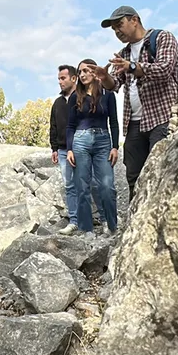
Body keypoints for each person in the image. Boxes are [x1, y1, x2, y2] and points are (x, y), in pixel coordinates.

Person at [84, 6, 178, 202]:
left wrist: (134, 67)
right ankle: (135, 224)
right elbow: (115, 84)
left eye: (119, 25)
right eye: (114, 29)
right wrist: (104, 78)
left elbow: (164, 69)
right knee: (133, 176)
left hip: (162, 118)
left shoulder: (162, 38)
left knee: (161, 171)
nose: (117, 32)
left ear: (134, 20)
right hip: (134, 123)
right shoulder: (123, 54)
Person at [49, 65, 106, 236]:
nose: (60, 82)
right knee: (70, 186)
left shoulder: (83, 98)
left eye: (63, 78)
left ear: (74, 78)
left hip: (83, 147)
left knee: (94, 183)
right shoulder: (57, 103)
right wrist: (54, 148)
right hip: (63, 151)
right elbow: (53, 126)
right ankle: (74, 221)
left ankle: (105, 219)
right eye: (58, 78)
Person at [65, 59, 119, 236]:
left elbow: (114, 122)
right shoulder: (75, 97)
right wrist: (70, 148)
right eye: (80, 72)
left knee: (107, 185)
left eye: (86, 71)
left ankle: (111, 225)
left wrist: (115, 146)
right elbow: (70, 125)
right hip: (80, 141)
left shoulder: (108, 94)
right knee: (82, 185)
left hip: (103, 140)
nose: (82, 75)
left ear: (95, 72)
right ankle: (86, 229)